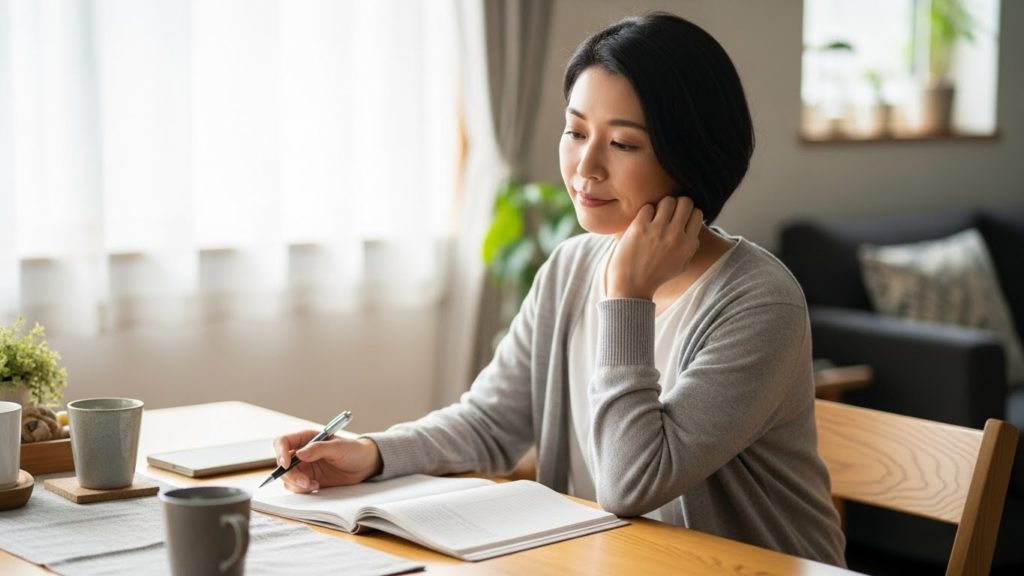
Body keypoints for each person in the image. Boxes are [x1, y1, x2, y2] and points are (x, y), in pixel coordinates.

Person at [273, 12, 846, 566]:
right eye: (575, 131)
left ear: (691, 155)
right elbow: (491, 423)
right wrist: (372, 455)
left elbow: (631, 482)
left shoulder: (758, 300)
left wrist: (626, 297)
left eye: (623, 144)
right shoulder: (573, 266)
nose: (585, 168)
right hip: (609, 562)